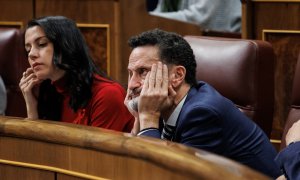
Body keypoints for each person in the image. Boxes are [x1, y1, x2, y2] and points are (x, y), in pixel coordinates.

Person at [124, 28, 281, 178]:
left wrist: (148, 118)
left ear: (177, 75)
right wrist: (139, 118)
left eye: (143, 72)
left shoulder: (202, 113)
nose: (132, 84)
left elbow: (163, 176)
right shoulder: (161, 104)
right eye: (131, 74)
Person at [19, 16, 134, 132]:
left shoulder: (107, 94)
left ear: (66, 45)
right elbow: (37, 148)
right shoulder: (49, 91)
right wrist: (31, 106)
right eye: (28, 49)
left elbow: (92, 151)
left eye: (42, 44)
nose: (31, 54)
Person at [149, 0, 241, 33]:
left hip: (225, 42)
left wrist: (150, 17)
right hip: (185, 40)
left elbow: (201, 19)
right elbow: (160, 14)